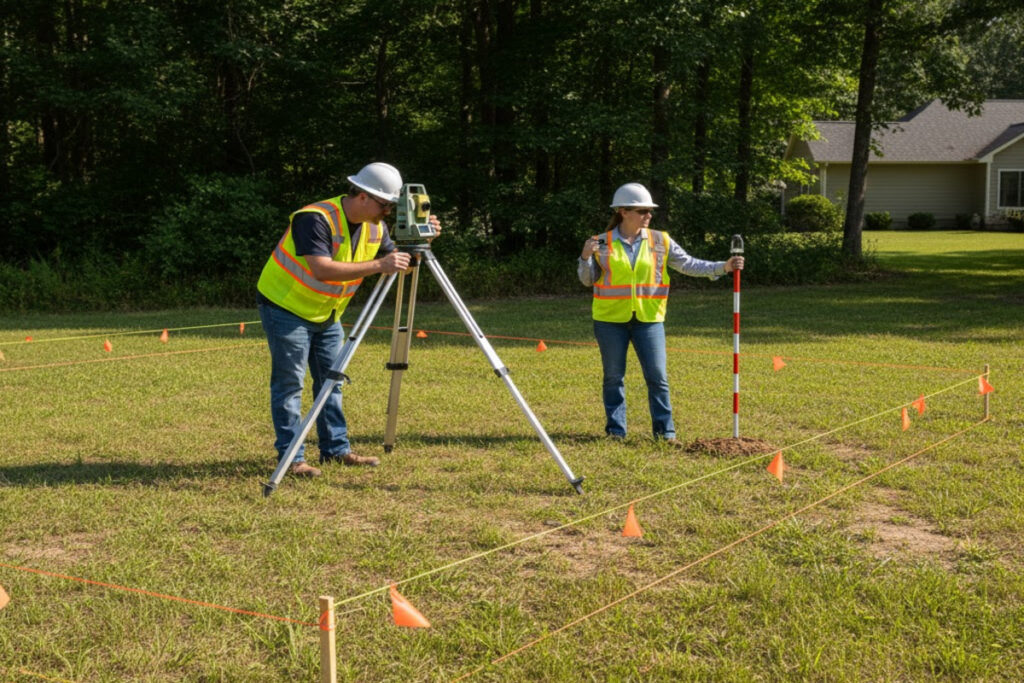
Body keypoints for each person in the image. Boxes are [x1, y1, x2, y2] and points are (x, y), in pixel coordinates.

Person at [256, 162, 441, 477]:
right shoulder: (314, 218)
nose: (388, 212)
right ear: (363, 196)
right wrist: (379, 265)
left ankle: (336, 450)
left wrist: (423, 240)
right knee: (290, 385)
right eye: (385, 205)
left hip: (328, 313)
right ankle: (292, 459)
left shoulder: (375, 227)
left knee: (333, 381)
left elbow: (400, 265)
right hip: (286, 307)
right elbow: (321, 269)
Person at [577, 182, 744, 446]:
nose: (649, 215)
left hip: (649, 320)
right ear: (623, 212)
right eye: (643, 210)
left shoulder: (660, 240)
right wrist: (585, 257)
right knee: (613, 378)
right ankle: (616, 432)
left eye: (650, 210)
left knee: (658, 378)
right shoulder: (600, 242)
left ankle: (665, 433)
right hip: (609, 320)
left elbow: (688, 264)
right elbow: (587, 280)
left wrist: (722, 267)